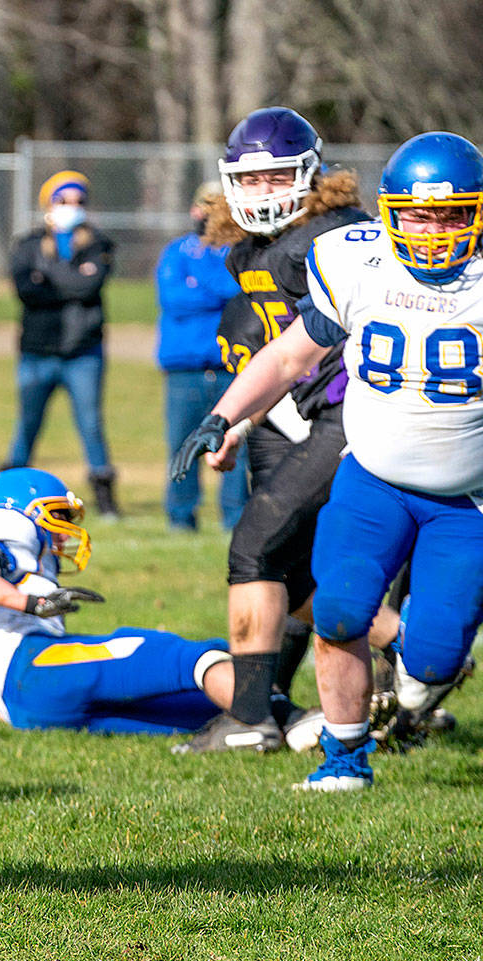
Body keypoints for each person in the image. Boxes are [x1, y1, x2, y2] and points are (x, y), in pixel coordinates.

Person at [179, 131, 483, 790]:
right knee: (340, 610)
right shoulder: (357, 262)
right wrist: (224, 415)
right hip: (370, 476)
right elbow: (289, 355)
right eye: (418, 213)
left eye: (452, 212)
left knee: (432, 656)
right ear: (391, 211)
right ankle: (343, 760)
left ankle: (418, 678)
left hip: (467, 499)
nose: (433, 230)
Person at [168, 107, 394, 755]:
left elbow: (307, 346)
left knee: (258, 550)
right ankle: (275, 705)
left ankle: (251, 719)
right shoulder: (251, 251)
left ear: (311, 174)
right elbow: (273, 347)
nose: (264, 191)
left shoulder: (337, 239)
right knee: (295, 571)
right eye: (252, 178)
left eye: (277, 177)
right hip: (300, 410)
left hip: (354, 410)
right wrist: (240, 415)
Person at [0, 467, 243, 734]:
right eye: (58, 515)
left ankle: (276, 720)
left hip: (29, 708)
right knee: (176, 656)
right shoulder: (2, 531)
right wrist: (30, 603)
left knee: (194, 711)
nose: (66, 533)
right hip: (34, 669)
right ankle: (260, 705)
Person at [3, 171, 119, 518]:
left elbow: (89, 287)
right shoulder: (27, 245)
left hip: (83, 351)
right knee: (27, 423)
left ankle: (105, 496)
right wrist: (70, 280)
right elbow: (27, 289)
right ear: (48, 206)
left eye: (78, 201)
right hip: (37, 351)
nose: (71, 207)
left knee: (91, 425)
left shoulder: (99, 244)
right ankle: (8, 491)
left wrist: (50, 278)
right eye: (63, 200)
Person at [155, 181, 248, 531]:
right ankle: (180, 517)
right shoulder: (176, 252)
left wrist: (204, 283)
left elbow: (240, 292)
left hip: (232, 368)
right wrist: (220, 290)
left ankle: (236, 518)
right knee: (182, 444)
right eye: (202, 206)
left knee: (234, 447)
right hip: (185, 369)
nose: (206, 215)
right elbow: (176, 299)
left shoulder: (240, 251)